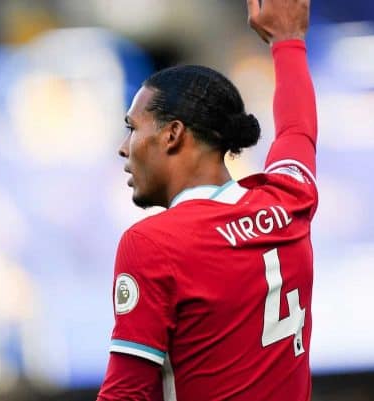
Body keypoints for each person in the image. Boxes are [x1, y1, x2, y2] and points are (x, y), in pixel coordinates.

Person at [97, 0, 317, 399]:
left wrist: (287, 41)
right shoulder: (290, 201)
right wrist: (289, 40)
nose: (123, 147)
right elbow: (297, 133)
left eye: (132, 128)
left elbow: (127, 394)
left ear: (172, 134)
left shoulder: (153, 244)